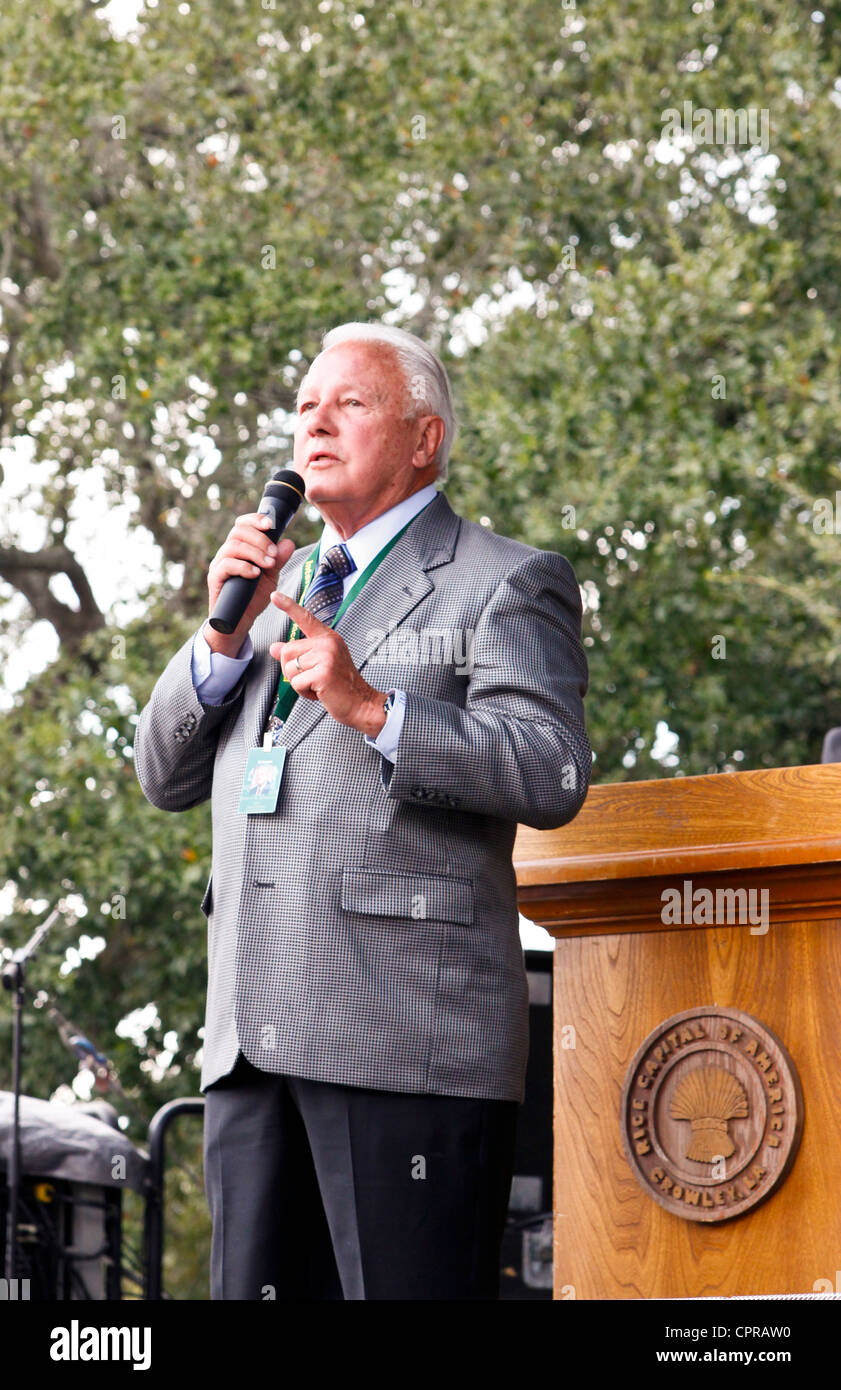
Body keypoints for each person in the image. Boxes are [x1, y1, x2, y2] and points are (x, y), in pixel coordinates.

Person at [134, 321, 591, 1300]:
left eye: (349, 403)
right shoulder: (273, 590)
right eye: (304, 407)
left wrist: (375, 708)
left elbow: (551, 770)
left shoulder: (503, 579)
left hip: (403, 1047)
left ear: (422, 437)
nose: (315, 424)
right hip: (250, 1041)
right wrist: (219, 644)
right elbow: (161, 776)